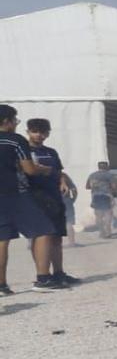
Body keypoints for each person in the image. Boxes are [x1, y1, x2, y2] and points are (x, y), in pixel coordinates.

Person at [0, 106, 59, 293]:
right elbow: (30, 170)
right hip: (15, 193)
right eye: (15, 120)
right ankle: (43, 279)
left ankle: (1, 286)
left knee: (2, 239)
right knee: (44, 230)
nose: (16, 124)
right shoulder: (16, 141)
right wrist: (44, 169)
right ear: (7, 121)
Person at [22, 121, 77, 285]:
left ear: (48, 133)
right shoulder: (23, 151)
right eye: (35, 131)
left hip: (54, 197)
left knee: (56, 237)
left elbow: (58, 171)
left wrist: (63, 181)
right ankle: (42, 274)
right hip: (34, 197)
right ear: (28, 132)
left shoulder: (51, 152)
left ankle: (59, 273)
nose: (39, 135)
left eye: (43, 132)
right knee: (39, 237)